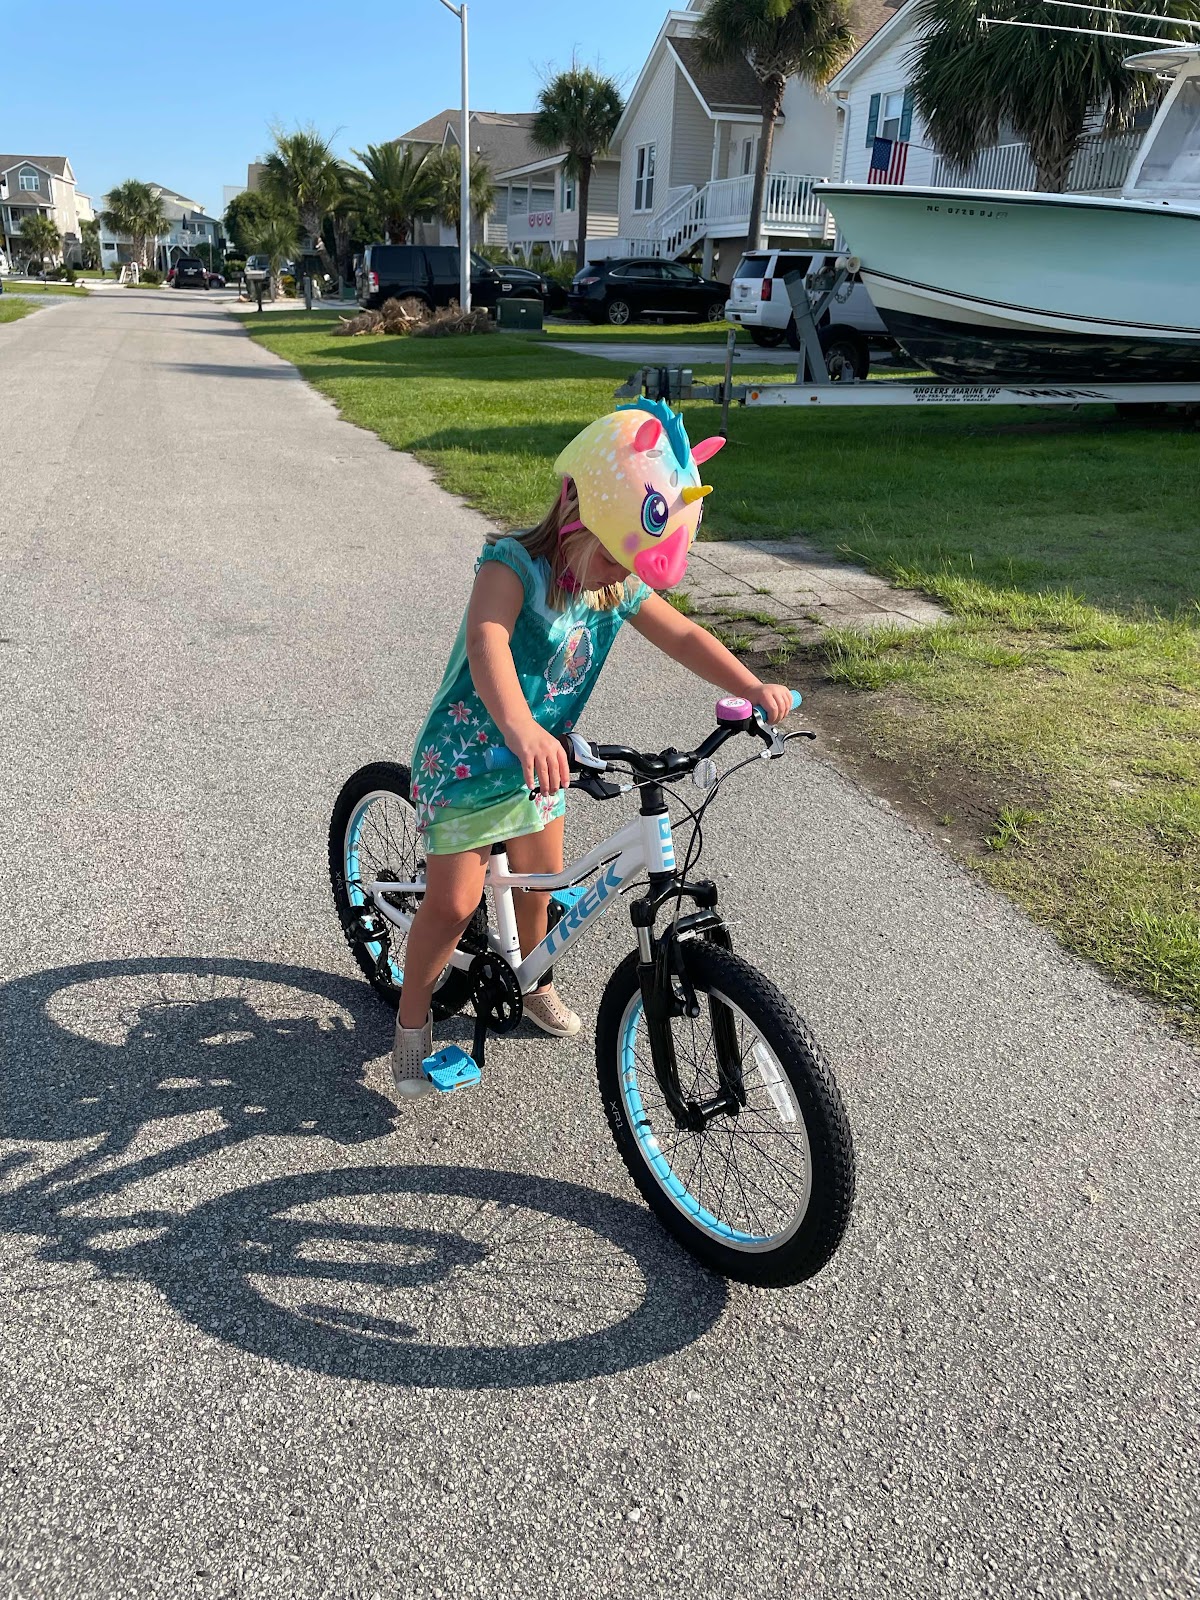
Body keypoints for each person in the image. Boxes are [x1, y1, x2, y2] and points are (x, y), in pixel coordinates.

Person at [394, 399, 795, 1100]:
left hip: (540, 758)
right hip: (467, 759)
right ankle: (411, 1018)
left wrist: (751, 685)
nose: (619, 574)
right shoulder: (512, 567)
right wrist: (520, 727)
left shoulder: (614, 583)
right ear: (574, 510)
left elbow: (683, 635)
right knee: (454, 905)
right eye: (613, 554)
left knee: (542, 885)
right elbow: (488, 645)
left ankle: (535, 982)